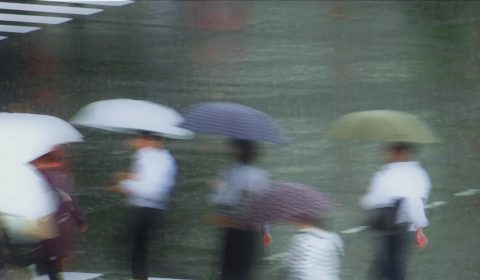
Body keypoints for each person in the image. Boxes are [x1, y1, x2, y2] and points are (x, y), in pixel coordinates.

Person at [109, 131, 177, 280]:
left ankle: (139, 276)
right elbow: (153, 182)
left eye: (135, 138)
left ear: (147, 140)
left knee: (135, 250)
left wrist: (123, 185)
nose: (131, 141)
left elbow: (149, 189)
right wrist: (129, 177)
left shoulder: (148, 155)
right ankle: (140, 275)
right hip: (153, 210)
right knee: (139, 250)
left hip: (145, 209)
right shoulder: (164, 157)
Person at [361, 142, 430, 280]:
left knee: (389, 268)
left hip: (389, 228)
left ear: (400, 152)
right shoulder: (418, 173)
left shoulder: (386, 173)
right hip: (404, 229)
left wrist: (370, 191)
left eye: (390, 151)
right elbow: (417, 203)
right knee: (391, 266)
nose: (387, 154)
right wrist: (419, 230)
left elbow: (369, 202)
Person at [211, 139, 272, 280]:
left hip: (232, 226)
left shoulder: (227, 172)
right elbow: (266, 206)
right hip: (251, 229)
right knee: (245, 270)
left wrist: (216, 188)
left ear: (237, 152)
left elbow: (220, 200)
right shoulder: (261, 175)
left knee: (228, 269)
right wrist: (266, 232)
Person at [30, 145, 88, 280]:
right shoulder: (61, 173)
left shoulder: (34, 173)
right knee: (54, 261)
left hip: (40, 223)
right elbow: (70, 199)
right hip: (59, 223)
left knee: (45, 260)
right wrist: (80, 219)